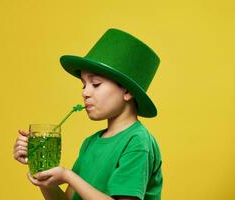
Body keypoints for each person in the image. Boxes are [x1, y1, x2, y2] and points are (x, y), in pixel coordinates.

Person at [14, 28, 163, 200]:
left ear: (127, 91)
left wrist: (68, 176)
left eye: (96, 84)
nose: (85, 93)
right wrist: (39, 167)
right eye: (84, 85)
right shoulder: (90, 143)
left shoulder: (138, 141)